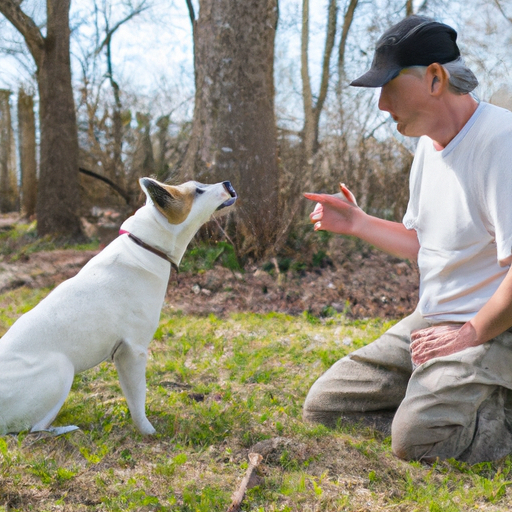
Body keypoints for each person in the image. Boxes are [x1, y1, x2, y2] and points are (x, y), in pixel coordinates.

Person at [302, 15, 512, 464]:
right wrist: (358, 222)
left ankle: (476, 406)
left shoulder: (501, 143)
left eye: (388, 86)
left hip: (495, 328)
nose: (380, 104)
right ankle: (445, 401)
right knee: (328, 407)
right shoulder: (426, 148)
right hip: (433, 319)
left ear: (434, 78)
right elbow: (427, 242)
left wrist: (470, 334)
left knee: (418, 441)